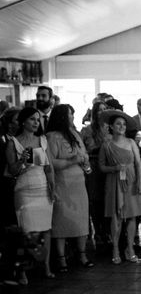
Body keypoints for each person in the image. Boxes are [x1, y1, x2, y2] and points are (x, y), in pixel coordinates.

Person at [5, 108, 55, 278]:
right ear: (23, 121)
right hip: (24, 189)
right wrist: (22, 161)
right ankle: (22, 271)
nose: (36, 123)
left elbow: (48, 168)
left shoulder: (43, 140)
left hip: (42, 187)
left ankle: (46, 266)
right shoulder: (13, 142)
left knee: (46, 230)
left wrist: (52, 187)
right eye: (32, 119)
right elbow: (11, 171)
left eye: (37, 119)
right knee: (26, 231)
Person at [46, 104, 94, 271]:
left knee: (81, 219)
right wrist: (72, 160)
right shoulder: (52, 136)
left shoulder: (75, 134)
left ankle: (82, 253)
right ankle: (61, 258)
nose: (72, 117)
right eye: (69, 115)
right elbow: (51, 162)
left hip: (78, 183)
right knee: (61, 220)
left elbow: (84, 153)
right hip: (62, 183)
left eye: (73, 114)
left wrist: (85, 160)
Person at [99, 114, 141, 264]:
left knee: (133, 216)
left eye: (124, 124)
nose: (121, 127)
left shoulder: (131, 142)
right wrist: (114, 168)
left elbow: (138, 163)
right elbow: (101, 166)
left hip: (131, 180)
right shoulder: (106, 145)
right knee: (116, 216)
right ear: (111, 127)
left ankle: (130, 248)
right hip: (114, 181)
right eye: (118, 124)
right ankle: (115, 249)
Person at [80, 101, 110, 249]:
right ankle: (97, 233)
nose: (102, 112)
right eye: (99, 110)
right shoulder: (86, 130)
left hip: (109, 168)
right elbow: (82, 150)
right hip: (93, 168)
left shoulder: (110, 128)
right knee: (95, 201)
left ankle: (107, 232)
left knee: (107, 200)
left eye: (105, 109)